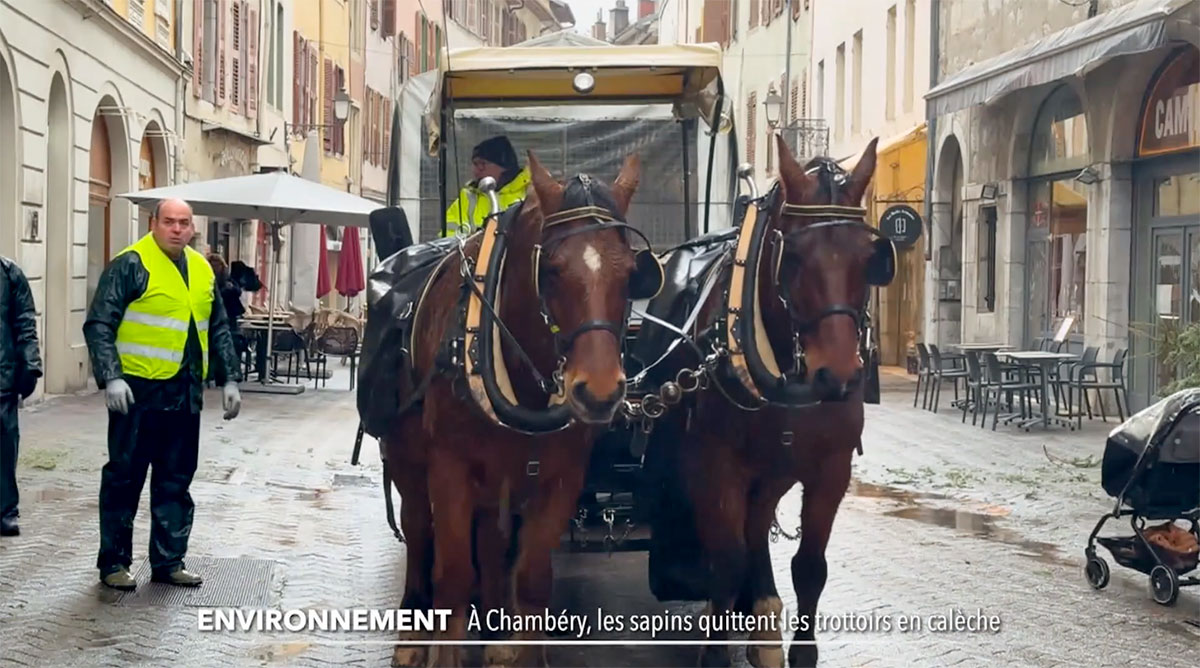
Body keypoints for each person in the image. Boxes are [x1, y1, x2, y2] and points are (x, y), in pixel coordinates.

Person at [83, 198, 243, 591]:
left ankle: (169, 561)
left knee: (176, 479)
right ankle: (114, 563)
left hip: (185, 391)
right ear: (153, 222)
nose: (176, 229)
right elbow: (100, 323)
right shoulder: (131, 264)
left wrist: (230, 379)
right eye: (169, 221)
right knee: (125, 479)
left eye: (184, 222)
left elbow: (218, 327)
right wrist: (111, 376)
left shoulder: (202, 268)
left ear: (192, 227)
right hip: (138, 392)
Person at [0, 255, 42, 537]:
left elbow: (25, 324)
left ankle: (5, 510)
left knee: (4, 448)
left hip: (2, 378)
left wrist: (30, 367)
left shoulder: (9, 273)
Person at [443, 135, 532, 236]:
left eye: (483, 164)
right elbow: (448, 236)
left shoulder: (529, 193)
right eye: (475, 164)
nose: (476, 170)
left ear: (504, 167)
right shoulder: (468, 197)